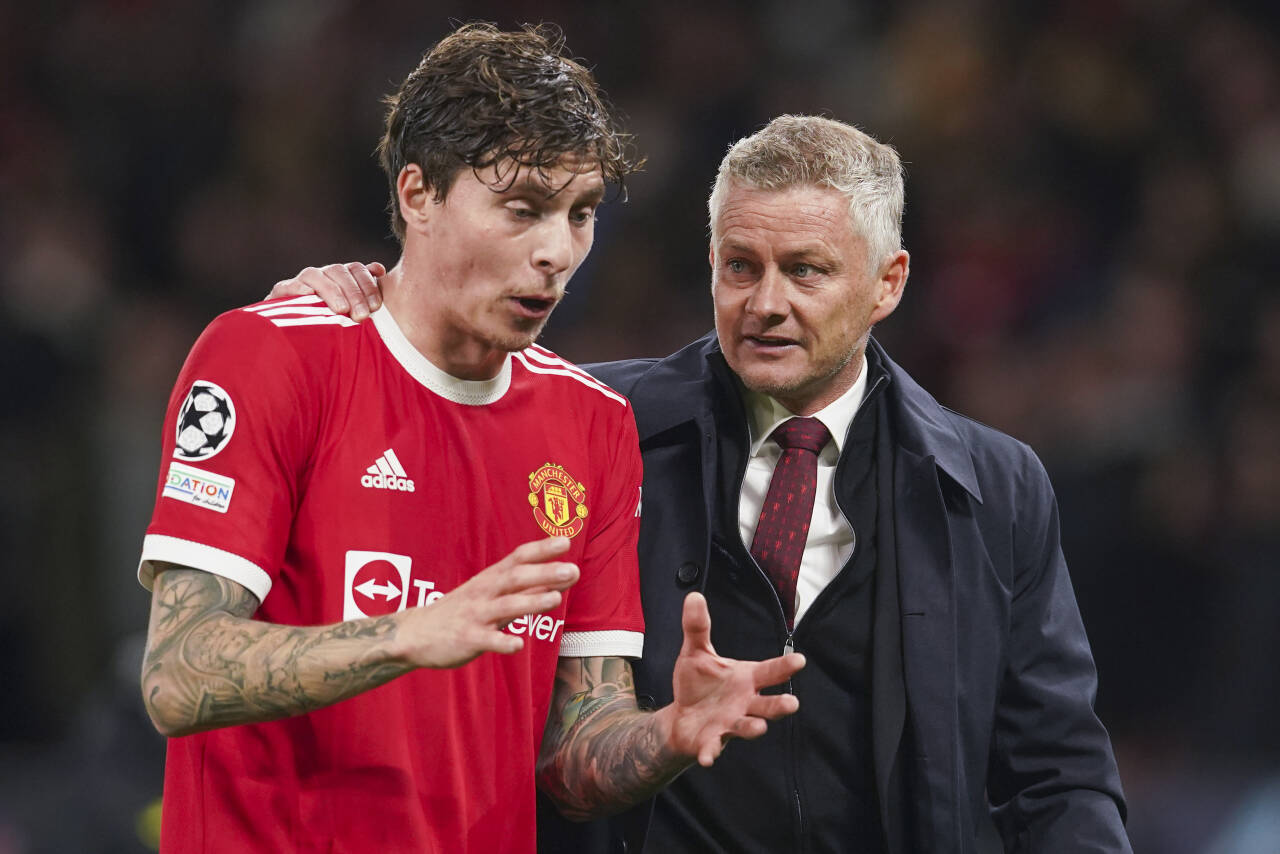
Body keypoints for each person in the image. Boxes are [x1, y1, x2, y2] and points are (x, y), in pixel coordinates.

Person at [278, 116, 1132, 853]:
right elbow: (416, 430)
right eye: (739, 267)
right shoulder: (586, 424)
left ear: (888, 284)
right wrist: (342, 328)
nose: (764, 303)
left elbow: (1055, 773)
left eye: (806, 270)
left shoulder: (994, 486)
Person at [137, 24, 805, 854]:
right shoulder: (272, 358)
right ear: (417, 195)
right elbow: (178, 672)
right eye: (522, 208)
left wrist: (668, 733)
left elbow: (572, 751)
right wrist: (408, 634)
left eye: (581, 213)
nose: (558, 252)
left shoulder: (592, 425)